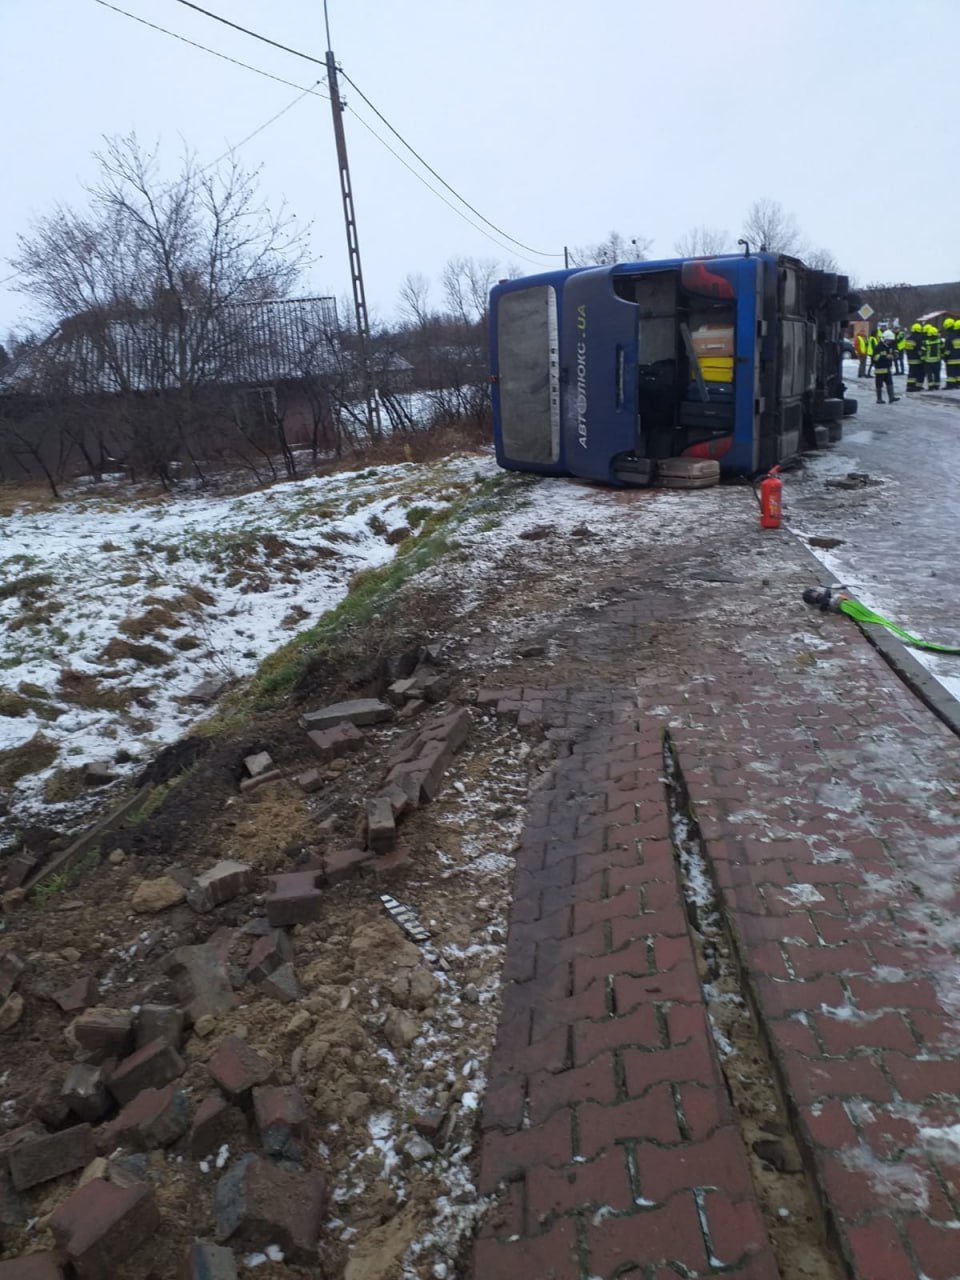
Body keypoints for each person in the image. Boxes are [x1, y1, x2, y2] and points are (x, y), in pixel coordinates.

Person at [873, 331, 899, 404]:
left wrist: (895, 355)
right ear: (884, 339)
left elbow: (894, 352)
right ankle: (879, 399)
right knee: (879, 385)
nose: (889, 342)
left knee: (890, 383)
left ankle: (891, 397)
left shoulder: (889, 347)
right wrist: (885, 357)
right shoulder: (878, 347)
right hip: (880, 369)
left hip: (888, 369)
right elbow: (875, 358)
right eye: (888, 340)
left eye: (890, 340)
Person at [905, 323, 925, 392]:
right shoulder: (919, 338)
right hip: (918, 359)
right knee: (920, 373)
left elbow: (907, 349)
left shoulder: (908, 338)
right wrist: (922, 357)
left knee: (911, 373)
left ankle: (910, 386)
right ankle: (918, 386)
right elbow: (920, 349)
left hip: (910, 359)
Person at [923, 323, 942, 390]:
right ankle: (937, 386)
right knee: (937, 374)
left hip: (928, 361)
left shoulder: (926, 342)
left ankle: (931, 386)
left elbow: (923, 351)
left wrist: (923, 359)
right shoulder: (940, 341)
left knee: (929, 374)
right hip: (937, 360)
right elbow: (942, 350)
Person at [943, 317, 960, 390]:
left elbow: (948, 350)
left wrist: (945, 357)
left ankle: (950, 385)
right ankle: (958, 384)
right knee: (958, 373)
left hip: (951, 359)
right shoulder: (957, 335)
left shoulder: (950, 337)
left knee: (951, 373)